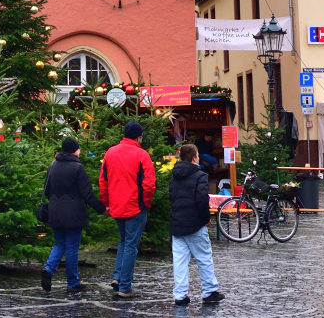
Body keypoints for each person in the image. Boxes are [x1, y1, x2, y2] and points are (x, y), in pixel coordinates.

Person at [97, 120, 157, 298]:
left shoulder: (110, 153)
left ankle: (117, 276)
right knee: (131, 245)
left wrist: (106, 203)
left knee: (123, 242)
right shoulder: (142, 155)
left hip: (117, 205)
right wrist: (146, 203)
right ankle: (124, 286)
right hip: (135, 206)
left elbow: (103, 181)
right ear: (139, 137)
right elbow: (149, 184)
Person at [40, 138, 103, 298]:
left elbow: (47, 190)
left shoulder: (53, 165)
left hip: (55, 211)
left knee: (59, 243)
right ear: (74, 150)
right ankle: (73, 283)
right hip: (74, 213)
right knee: (72, 247)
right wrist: (102, 209)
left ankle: (48, 269)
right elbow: (87, 194)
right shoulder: (78, 167)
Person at [167, 143, 222, 307]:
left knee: (180, 261)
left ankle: (180, 295)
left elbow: (172, 198)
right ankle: (209, 291)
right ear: (194, 158)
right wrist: (206, 218)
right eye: (198, 155)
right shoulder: (200, 176)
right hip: (195, 223)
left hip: (177, 224)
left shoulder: (174, 176)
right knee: (204, 258)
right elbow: (202, 200)